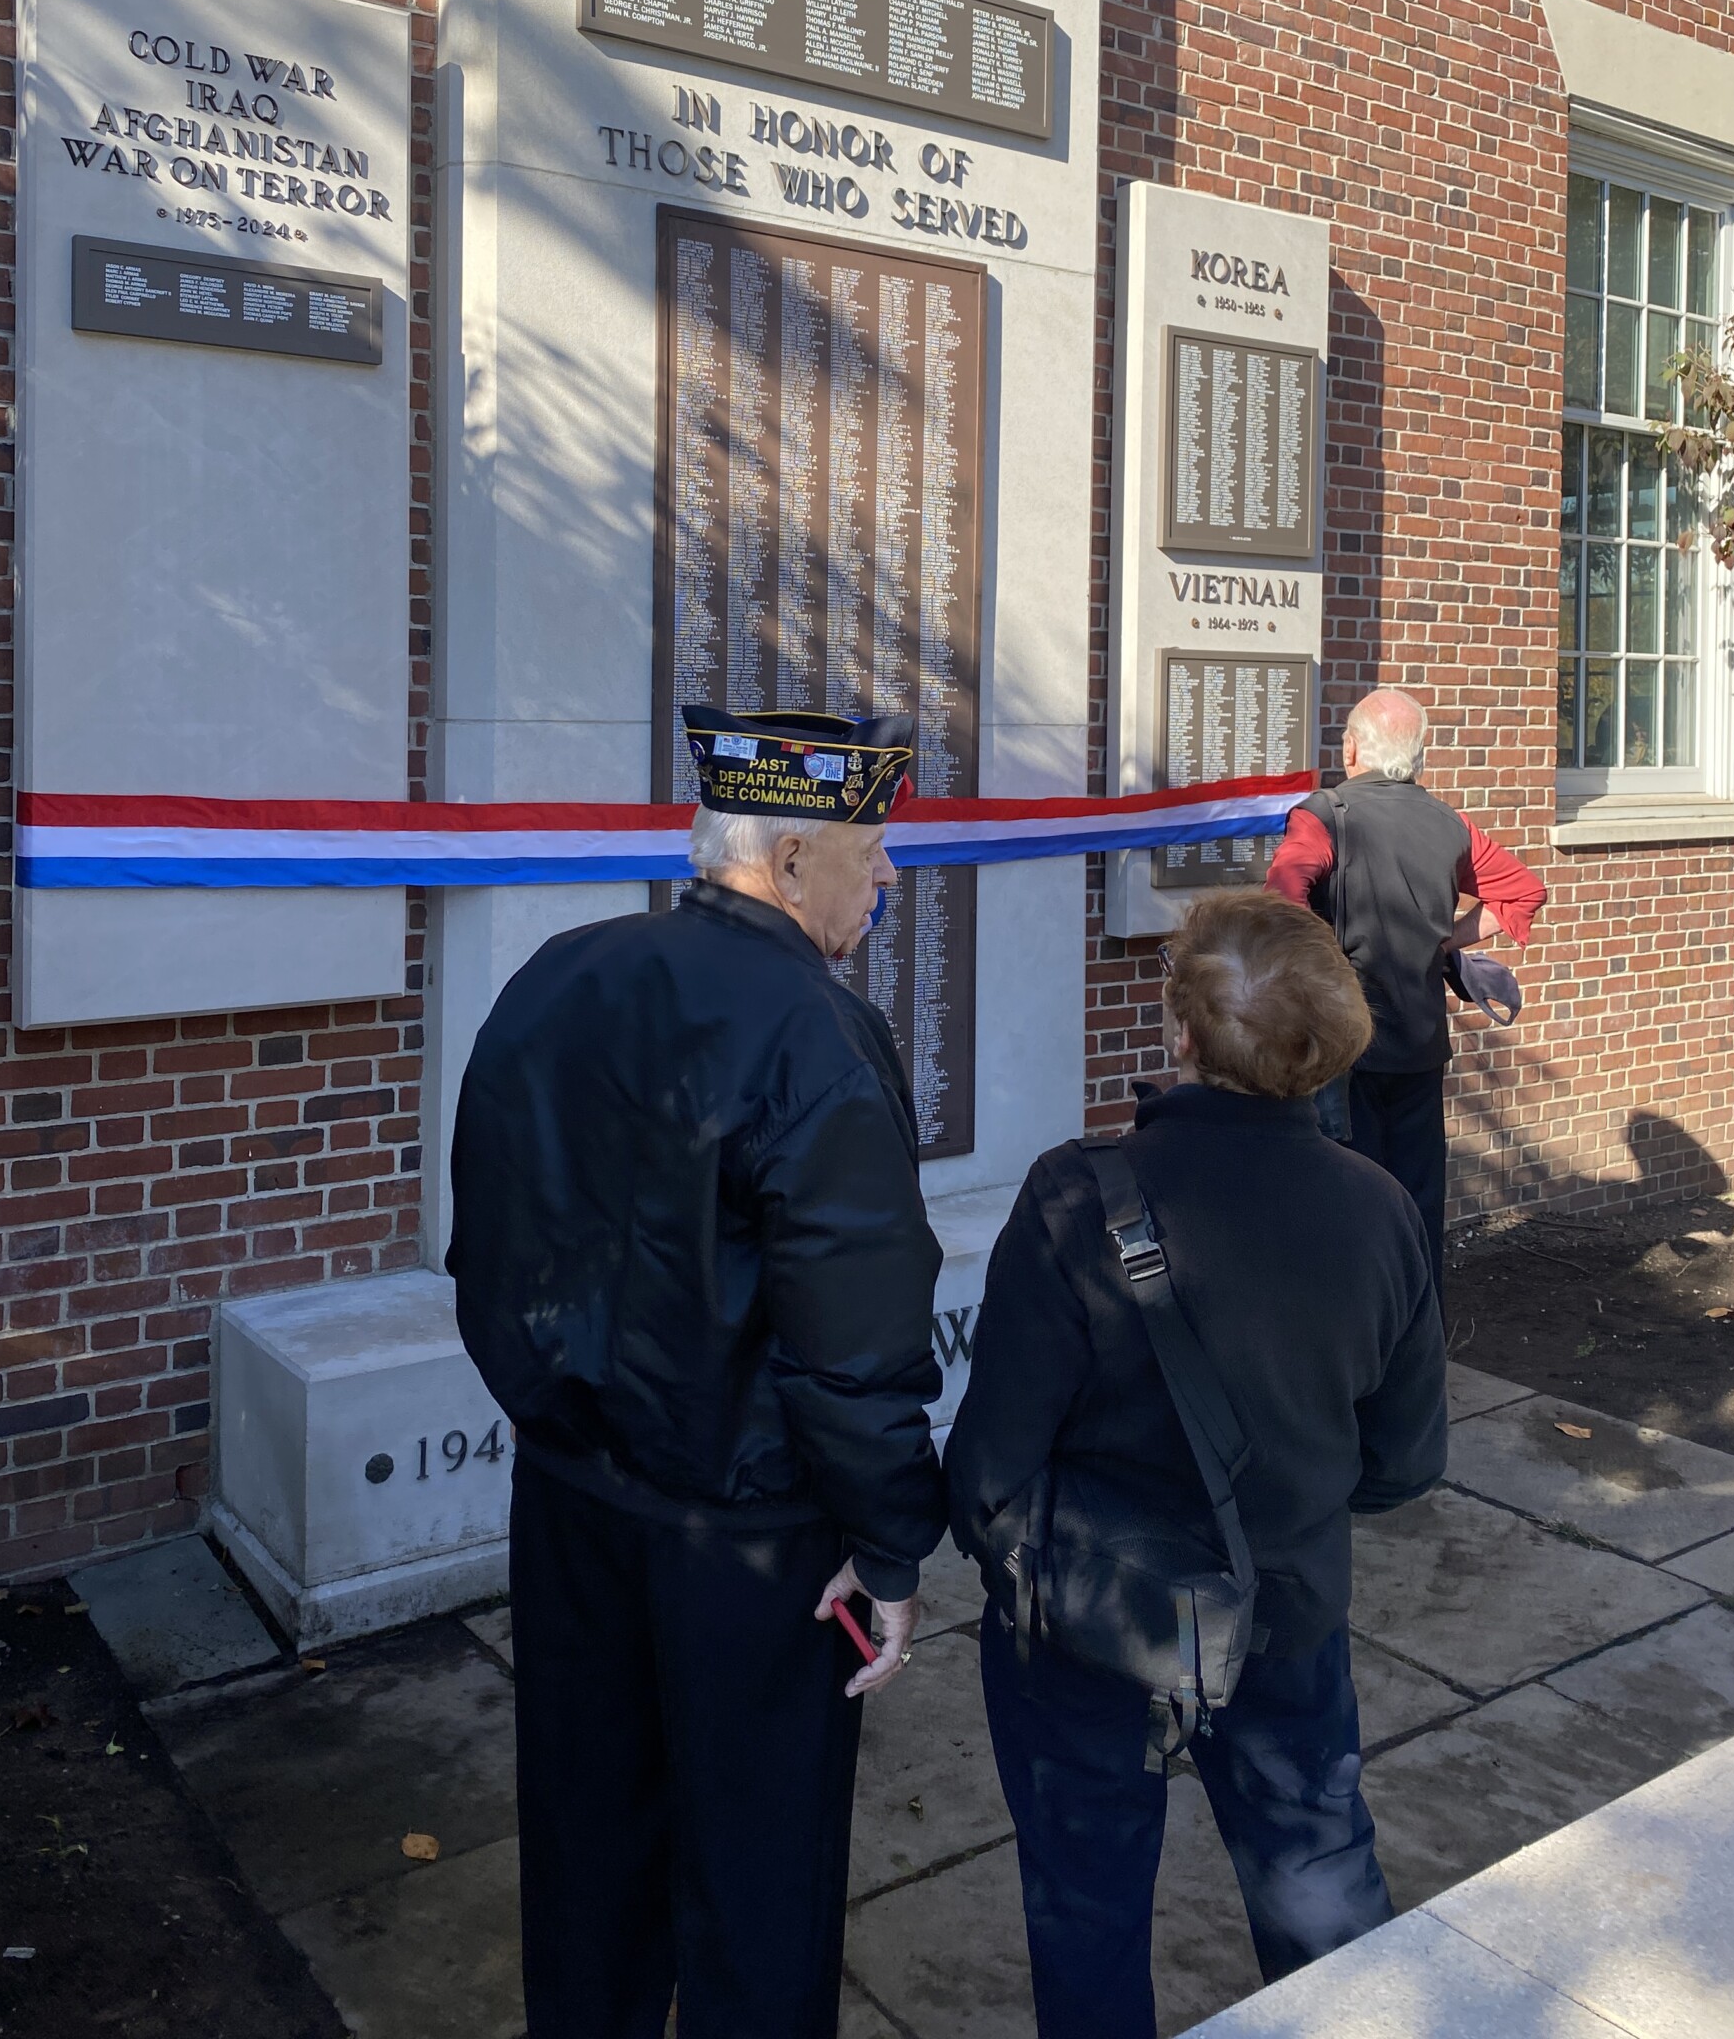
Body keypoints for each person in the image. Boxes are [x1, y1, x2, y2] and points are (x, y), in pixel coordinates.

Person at [448, 704, 946, 2039]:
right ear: (786, 864)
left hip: (570, 1503)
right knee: (758, 1885)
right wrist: (890, 1549)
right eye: (873, 847)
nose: (890, 875)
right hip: (752, 1542)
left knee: (587, 1847)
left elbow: (485, 1242)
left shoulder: (559, 973)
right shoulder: (819, 1038)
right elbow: (859, 1340)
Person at [947, 890, 1448, 2039]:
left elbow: (990, 1466)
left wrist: (1029, 1562)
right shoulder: (1380, 1210)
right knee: (1323, 1901)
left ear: (1180, 1030)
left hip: (1087, 1626)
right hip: (1284, 1614)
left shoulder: (1077, 1195)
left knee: (1087, 1917)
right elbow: (1406, 1457)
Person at [1265, 688, 1546, 1287]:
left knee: (1349, 1204)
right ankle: (1422, 1357)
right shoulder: (1450, 823)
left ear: (1352, 749)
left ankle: (1361, 1359)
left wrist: (1319, 964)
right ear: (1419, 756)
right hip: (1421, 1046)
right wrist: (1447, 941)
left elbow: (1281, 901)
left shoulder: (1325, 815)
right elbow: (1523, 891)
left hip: (1345, 1050)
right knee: (1418, 1209)